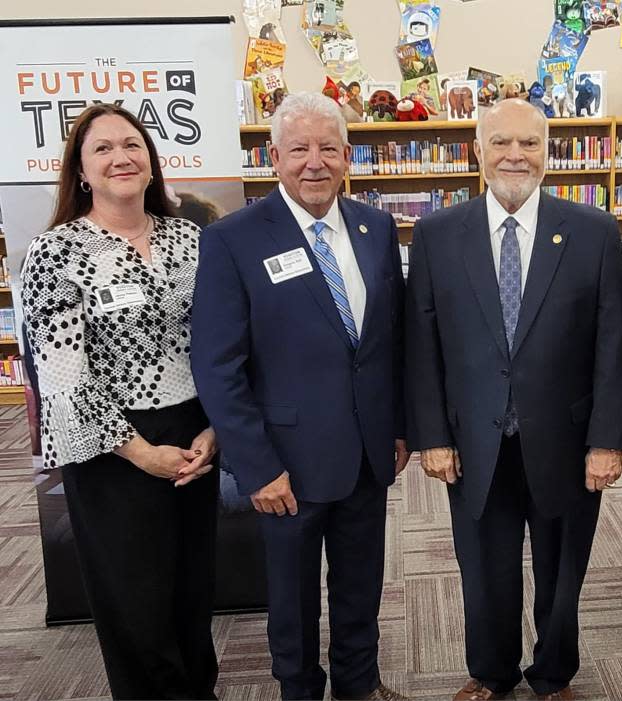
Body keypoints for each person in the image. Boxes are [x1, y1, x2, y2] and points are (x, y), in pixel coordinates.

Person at [405, 98, 622, 701]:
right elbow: (422, 344)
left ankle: (555, 674)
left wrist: (608, 440)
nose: (515, 155)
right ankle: (491, 672)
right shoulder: (436, 235)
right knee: (484, 571)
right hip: (473, 443)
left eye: (530, 144)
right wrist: (432, 435)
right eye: (501, 142)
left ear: (548, 152)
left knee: (563, 572)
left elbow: (614, 343)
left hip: (566, 441)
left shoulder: (593, 231)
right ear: (477, 152)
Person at [190, 92, 408, 701]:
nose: (315, 162)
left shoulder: (376, 227)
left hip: (367, 453)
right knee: (292, 599)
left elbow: (387, 340)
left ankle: (359, 685)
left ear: (347, 156)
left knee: (361, 584)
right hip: (283, 464)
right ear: (273, 157)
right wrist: (257, 467)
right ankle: (299, 691)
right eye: (299, 149)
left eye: (328, 148)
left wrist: (396, 427)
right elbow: (217, 365)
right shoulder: (233, 239)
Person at [20, 103, 219, 700]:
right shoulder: (56, 253)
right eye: (102, 149)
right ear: (81, 171)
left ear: (152, 161)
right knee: (136, 604)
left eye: (131, 145)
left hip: (195, 434)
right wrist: (140, 453)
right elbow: (62, 378)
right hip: (111, 448)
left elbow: (217, 342)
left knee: (191, 593)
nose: (120, 158)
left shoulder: (192, 240)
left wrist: (215, 428)